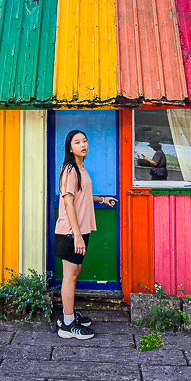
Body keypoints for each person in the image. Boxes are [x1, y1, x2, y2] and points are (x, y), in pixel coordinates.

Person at [53, 129, 117, 339]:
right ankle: (67, 324)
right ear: (70, 147)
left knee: (76, 271)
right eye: (77, 142)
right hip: (70, 231)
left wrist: (101, 200)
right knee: (69, 276)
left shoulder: (81, 168)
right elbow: (68, 202)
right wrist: (77, 235)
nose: (83, 145)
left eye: (85, 141)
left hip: (80, 229)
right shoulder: (70, 170)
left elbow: (83, 194)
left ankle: (69, 314)